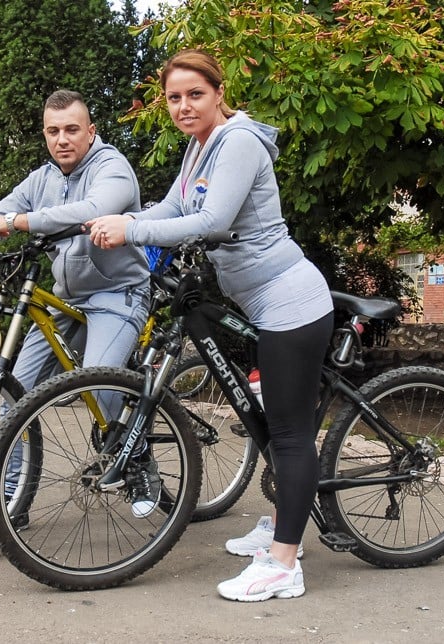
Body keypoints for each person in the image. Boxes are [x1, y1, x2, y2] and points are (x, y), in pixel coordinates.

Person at [86, 49, 334, 602]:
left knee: (290, 434)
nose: (183, 106)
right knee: (265, 420)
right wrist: (121, 221)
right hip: (257, 303)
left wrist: (131, 233)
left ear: (218, 94)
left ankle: (286, 565)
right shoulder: (197, 151)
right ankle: (282, 523)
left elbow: (212, 221)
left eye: (194, 94)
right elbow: (171, 209)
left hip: (291, 301)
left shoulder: (238, 142)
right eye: (174, 97)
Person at [0, 89, 150, 536]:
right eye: (52, 131)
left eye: (71, 129)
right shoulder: (42, 177)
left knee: (101, 379)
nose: (61, 139)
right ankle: (8, 504)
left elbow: (91, 211)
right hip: (68, 297)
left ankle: (138, 458)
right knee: (13, 397)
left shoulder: (112, 168)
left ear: (91, 131)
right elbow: (1, 208)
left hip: (118, 294)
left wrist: (11, 224)